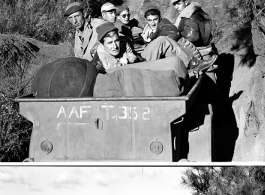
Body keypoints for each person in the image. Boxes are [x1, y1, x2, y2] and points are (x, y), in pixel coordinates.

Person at [140, 5, 217, 73]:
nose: (153, 23)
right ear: (146, 20)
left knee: (163, 41)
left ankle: (193, 64)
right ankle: (193, 64)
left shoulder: (163, 24)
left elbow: (174, 33)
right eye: (149, 20)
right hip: (146, 59)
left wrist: (156, 37)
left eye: (155, 19)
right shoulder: (145, 32)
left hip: (168, 52)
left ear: (159, 18)